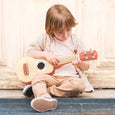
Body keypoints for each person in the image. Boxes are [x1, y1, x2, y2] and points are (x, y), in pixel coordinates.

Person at [25, 4, 93, 112]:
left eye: (69, 30)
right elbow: (29, 53)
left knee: (79, 85)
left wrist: (79, 63)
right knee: (37, 77)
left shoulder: (76, 42)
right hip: (51, 78)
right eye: (60, 32)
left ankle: (43, 93)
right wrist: (45, 55)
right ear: (51, 29)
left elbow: (87, 66)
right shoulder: (45, 39)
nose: (65, 35)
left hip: (69, 79)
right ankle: (44, 98)